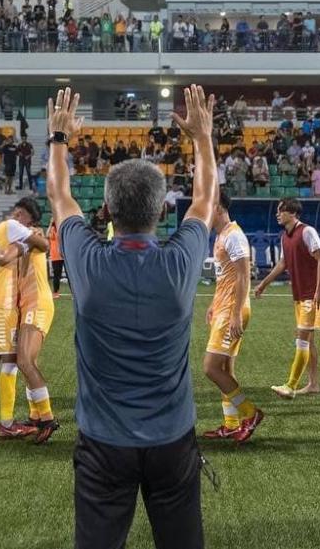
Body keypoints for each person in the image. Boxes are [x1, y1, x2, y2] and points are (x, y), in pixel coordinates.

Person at [50, 85, 216, 549]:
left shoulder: (88, 260)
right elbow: (204, 200)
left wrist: (59, 139)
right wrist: (203, 138)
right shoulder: (179, 263)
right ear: (163, 210)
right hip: (172, 441)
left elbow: (60, 196)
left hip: (104, 443)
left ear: (107, 211)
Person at [0, 199, 48, 438]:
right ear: (26, 218)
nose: (18, 216)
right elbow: (43, 245)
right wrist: (31, 239)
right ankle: (7, 424)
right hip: (2, 306)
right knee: (12, 359)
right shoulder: (15, 227)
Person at [200, 191, 264, 442]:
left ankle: (250, 414)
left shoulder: (234, 235)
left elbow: (243, 275)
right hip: (223, 308)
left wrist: (236, 312)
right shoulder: (221, 236)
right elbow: (225, 277)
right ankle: (231, 424)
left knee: (211, 367)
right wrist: (213, 304)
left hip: (232, 311)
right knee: (225, 368)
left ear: (217, 207)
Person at [254, 198, 320, 398]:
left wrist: (319, 291)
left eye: (281, 210)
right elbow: (283, 263)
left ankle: (291, 386)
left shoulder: (307, 231)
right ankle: (313, 384)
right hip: (300, 294)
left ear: (292, 213)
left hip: (311, 295)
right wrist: (263, 283)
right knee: (309, 341)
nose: (277, 214)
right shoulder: (284, 236)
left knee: (302, 339)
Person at [47, 216, 63, 297]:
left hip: (64, 255)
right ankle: (56, 292)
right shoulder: (52, 229)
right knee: (57, 275)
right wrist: (50, 224)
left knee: (70, 275)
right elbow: (47, 235)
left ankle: (75, 293)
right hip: (55, 256)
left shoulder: (62, 229)